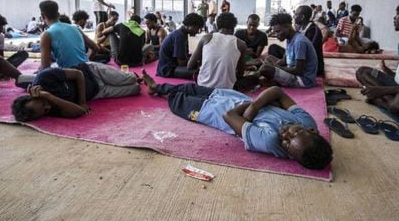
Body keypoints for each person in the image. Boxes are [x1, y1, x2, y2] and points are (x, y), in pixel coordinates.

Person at [142, 71, 332, 170]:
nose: (285, 135)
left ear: (289, 155)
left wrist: (255, 105)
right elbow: (276, 91)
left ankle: (159, 92)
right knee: (190, 87)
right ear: (311, 131)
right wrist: (253, 108)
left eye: (287, 144)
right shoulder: (308, 122)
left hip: (208, 112)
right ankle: (156, 87)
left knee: (176, 101)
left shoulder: (269, 141)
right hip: (226, 95)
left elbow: (229, 116)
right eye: (295, 133)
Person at [11, 62, 141, 122]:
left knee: (130, 79)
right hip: (98, 92)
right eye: (45, 110)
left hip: (93, 72)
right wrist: (49, 97)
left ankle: (136, 76)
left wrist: (82, 101)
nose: (47, 107)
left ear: (32, 96)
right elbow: (79, 111)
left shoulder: (44, 78)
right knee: (136, 89)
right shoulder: (48, 110)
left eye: (42, 103)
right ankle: (135, 80)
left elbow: (78, 74)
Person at [355, 7, 399, 114]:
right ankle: (387, 98)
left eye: (397, 14)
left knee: (396, 107)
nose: (394, 17)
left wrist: (380, 90)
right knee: (362, 72)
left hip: (394, 88)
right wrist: (389, 71)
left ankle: (379, 100)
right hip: (395, 84)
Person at [188, 13, 246, 89]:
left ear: (217, 26)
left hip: (202, 86)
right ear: (234, 27)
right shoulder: (241, 44)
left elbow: (190, 66)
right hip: (226, 90)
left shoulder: (206, 38)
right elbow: (241, 73)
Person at [258, 13, 318, 88]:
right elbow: (284, 60)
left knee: (265, 69)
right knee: (269, 58)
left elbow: (298, 71)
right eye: (275, 32)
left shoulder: (299, 42)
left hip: (303, 80)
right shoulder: (290, 39)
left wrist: (275, 67)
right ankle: (264, 79)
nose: (276, 35)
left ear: (288, 26)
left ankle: (256, 77)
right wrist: (273, 63)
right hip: (294, 72)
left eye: (278, 31)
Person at [39, 0, 99, 69]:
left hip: (70, 76)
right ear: (58, 14)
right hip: (87, 71)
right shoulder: (76, 28)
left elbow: (45, 68)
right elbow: (95, 48)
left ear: (43, 16)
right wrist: (86, 61)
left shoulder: (46, 35)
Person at [157, 13, 204, 79]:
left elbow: (185, 56)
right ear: (190, 25)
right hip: (168, 69)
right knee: (202, 72)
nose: (198, 32)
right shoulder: (180, 36)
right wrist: (196, 59)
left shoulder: (181, 34)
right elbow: (181, 63)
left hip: (171, 66)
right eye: (197, 28)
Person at [0, 13, 28, 85]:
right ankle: (22, 79)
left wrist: (4, 70)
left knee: (23, 54)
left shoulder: (0, 36)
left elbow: (1, 57)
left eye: (0, 32)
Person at [294, 5, 324, 76]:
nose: (294, 17)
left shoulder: (314, 30)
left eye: (295, 15)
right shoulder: (300, 28)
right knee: (274, 48)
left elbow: (310, 52)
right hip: (300, 58)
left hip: (311, 66)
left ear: (302, 17)